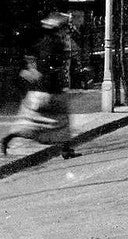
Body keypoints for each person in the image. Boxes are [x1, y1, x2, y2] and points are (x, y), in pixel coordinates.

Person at [2, 13, 79, 159]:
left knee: (31, 123)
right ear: (58, 30)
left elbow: (33, 65)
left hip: (37, 92)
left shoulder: (40, 44)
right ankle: (66, 150)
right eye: (63, 28)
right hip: (51, 91)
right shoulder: (57, 45)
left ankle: (8, 138)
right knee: (62, 121)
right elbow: (51, 68)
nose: (65, 32)